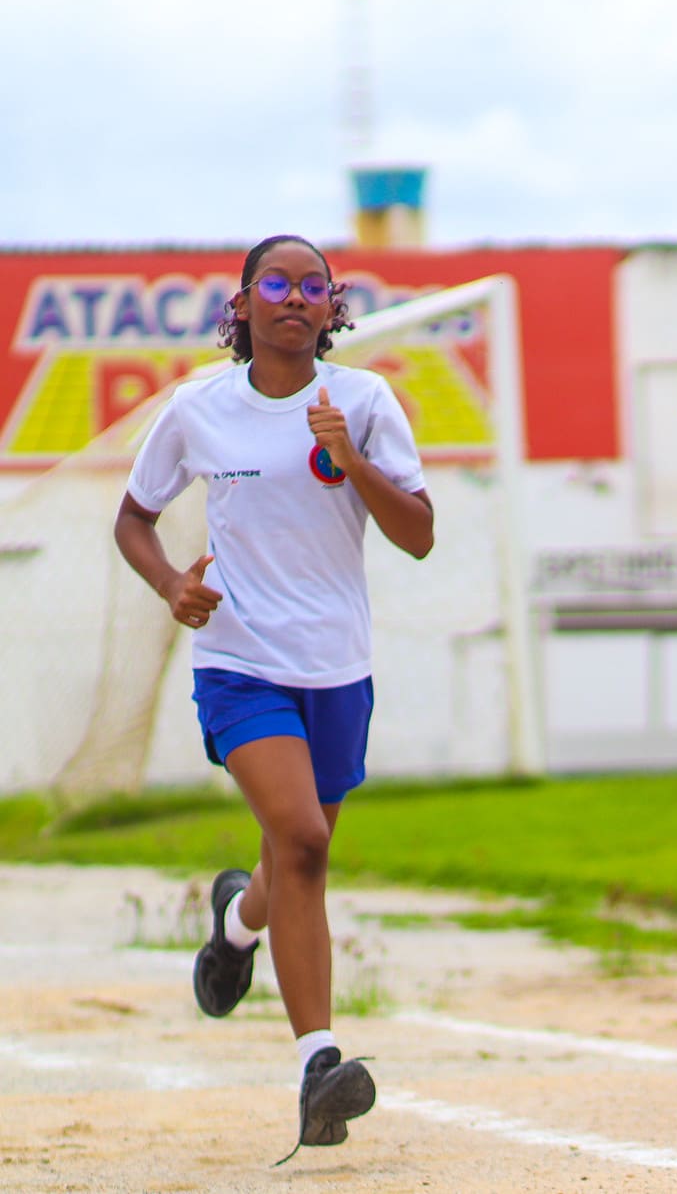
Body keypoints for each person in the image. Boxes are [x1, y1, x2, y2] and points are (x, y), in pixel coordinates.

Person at [114, 234, 433, 1157]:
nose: (296, 297)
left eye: (313, 285)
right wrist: (172, 584)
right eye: (277, 283)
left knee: (293, 857)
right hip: (239, 659)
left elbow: (418, 534)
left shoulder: (364, 402)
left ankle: (236, 923)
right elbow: (133, 518)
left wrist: (352, 461)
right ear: (244, 304)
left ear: (332, 307)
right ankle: (318, 1064)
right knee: (302, 841)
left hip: (337, 667)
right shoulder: (198, 408)